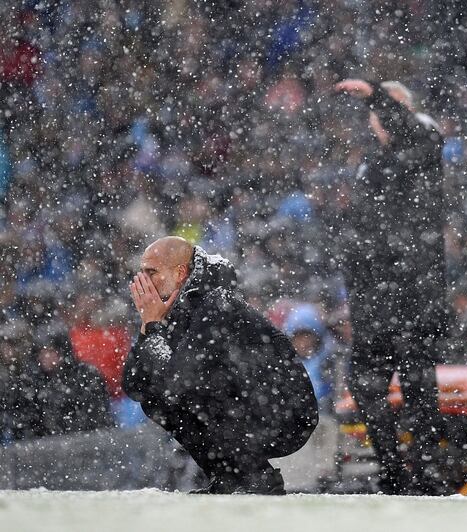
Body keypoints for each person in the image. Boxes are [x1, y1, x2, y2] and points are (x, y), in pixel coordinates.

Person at [122, 236, 318, 495]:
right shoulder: (171, 309)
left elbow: (178, 383)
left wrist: (155, 328)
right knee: (154, 399)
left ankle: (255, 476)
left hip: (285, 412)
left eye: (152, 272)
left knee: (190, 392)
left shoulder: (216, 303)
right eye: (142, 272)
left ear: (180, 273)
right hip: (250, 405)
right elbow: (134, 385)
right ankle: (226, 475)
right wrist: (148, 328)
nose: (143, 281)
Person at [334, 79, 449, 494]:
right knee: (367, 383)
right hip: (376, 298)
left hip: (413, 295)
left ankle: (424, 473)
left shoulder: (424, 141)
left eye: (386, 112)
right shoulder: (375, 161)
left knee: (417, 388)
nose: (379, 119)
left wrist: (378, 96)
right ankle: (396, 471)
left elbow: (412, 130)